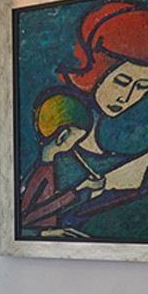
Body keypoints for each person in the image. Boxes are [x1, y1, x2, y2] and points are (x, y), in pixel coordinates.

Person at [55, 0, 148, 156]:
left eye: (143, 86)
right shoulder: (60, 123)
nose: (125, 98)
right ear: (97, 71)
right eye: (121, 82)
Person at [17, 91, 101, 236]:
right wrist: (80, 187)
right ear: (62, 136)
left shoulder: (46, 168)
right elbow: (27, 217)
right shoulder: (42, 172)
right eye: (75, 140)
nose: (75, 146)